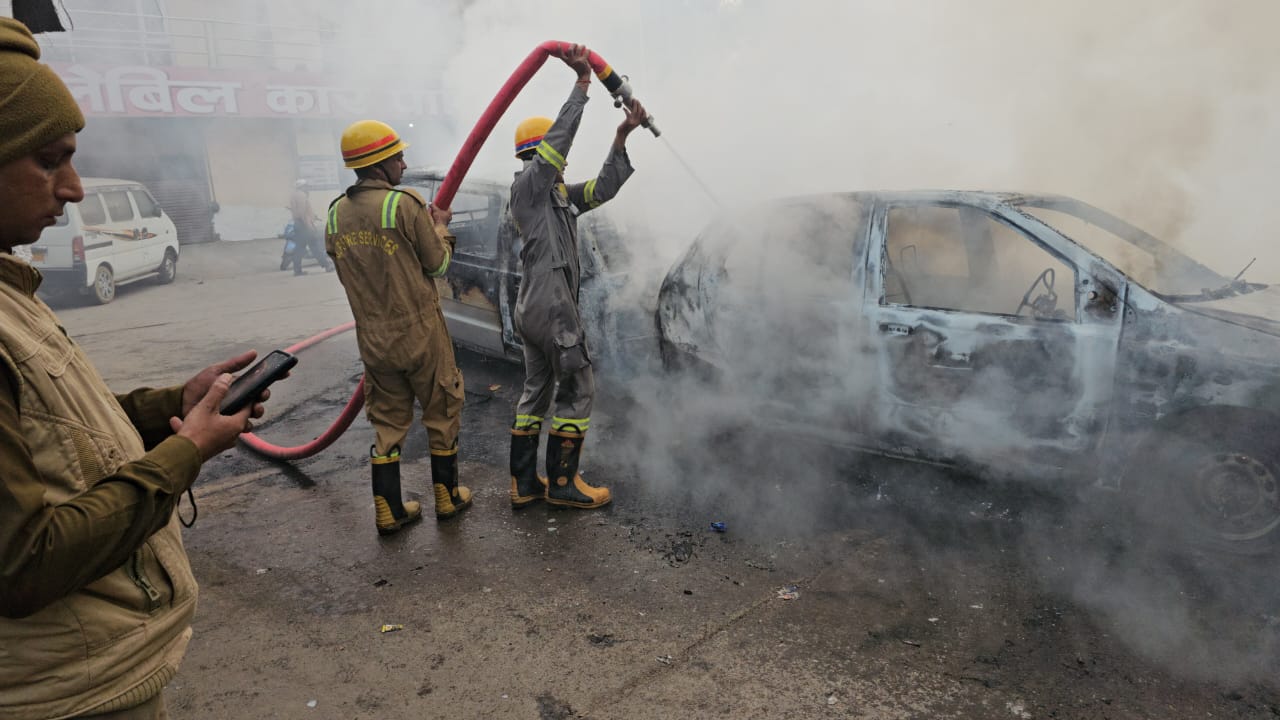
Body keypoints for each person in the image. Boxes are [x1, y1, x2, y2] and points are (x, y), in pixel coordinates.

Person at [0, 17, 270, 719]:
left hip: (85, 674)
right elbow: (22, 565)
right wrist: (186, 451)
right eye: (48, 159)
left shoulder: (9, 291)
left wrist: (170, 404)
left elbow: (53, 434)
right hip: (61, 694)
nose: (75, 188)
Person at [507, 44, 646, 510]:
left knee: (536, 392)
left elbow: (603, 188)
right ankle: (564, 483)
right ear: (538, 153)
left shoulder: (558, 198)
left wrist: (622, 136)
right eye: (553, 155)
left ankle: (525, 485)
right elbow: (557, 146)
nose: (563, 161)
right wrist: (583, 85)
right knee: (579, 387)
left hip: (535, 308)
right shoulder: (528, 188)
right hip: (552, 309)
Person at [325, 119, 471, 534]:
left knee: (387, 422)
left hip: (373, 335)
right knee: (443, 410)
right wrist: (440, 226)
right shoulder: (402, 204)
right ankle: (447, 497)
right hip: (420, 331)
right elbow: (439, 264)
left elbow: (346, 273)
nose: (404, 165)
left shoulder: (335, 214)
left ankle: (389, 509)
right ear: (379, 165)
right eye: (398, 157)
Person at [286, 179, 333, 275]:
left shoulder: (294, 195)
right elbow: (303, 213)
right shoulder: (302, 195)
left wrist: (312, 216)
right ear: (302, 187)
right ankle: (326, 265)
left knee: (299, 248)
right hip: (304, 225)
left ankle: (297, 270)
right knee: (315, 246)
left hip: (298, 224)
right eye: (306, 186)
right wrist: (309, 225)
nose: (308, 188)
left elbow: (299, 211)